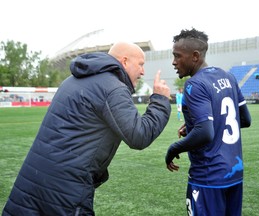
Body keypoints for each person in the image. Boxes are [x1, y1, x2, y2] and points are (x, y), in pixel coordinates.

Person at [3, 42, 171, 215]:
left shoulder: (73, 80)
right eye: (141, 64)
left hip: (34, 179)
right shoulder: (112, 87)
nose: (143, 71)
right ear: (125, 61)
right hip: (65, 188)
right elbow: (139, 135)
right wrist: (160, 100)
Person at [165, 28, 251, 216]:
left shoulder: (194, 84)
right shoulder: (228, 76)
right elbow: (244, 119)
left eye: (177, 56)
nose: (173, 62)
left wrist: (173, 149)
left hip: (208, 178)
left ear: (195, 56)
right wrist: (193, 127)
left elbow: (205, 133)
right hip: (234, 174)